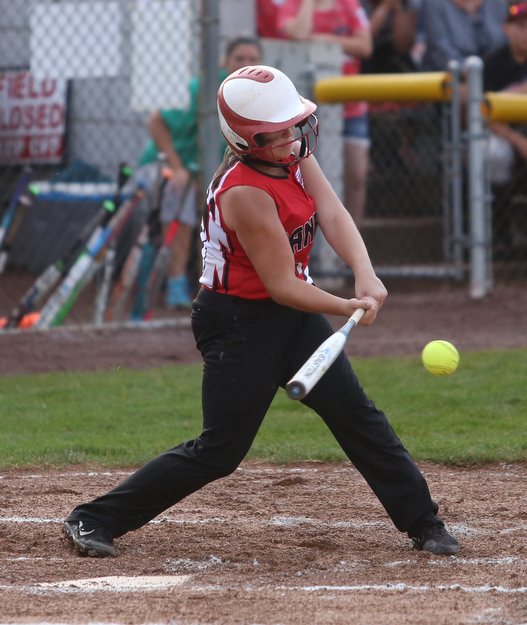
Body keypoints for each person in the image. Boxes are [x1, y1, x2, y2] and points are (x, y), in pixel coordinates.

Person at [63, 65, 459, 559]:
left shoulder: (292, 154)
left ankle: (424, 522)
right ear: (247, 140)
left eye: (294, 125)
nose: (293, 139)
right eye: (278, 133)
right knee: (221, 451)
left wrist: (364, 271)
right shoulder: (244, 191)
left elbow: (332, 212)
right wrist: (345, 306)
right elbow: (281, 285)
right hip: (236, 323)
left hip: (291, 313)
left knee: (356, 415)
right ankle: (93, 517)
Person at [135, 36, 263, 312]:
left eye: (253, 59)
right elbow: (155, 121)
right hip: (167, 164)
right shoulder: (203, 88)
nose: (245, 65)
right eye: (239, 58)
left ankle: (216, 284)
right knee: (183, 194)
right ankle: (176, 284)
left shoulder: (259, 97)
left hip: (210, 175)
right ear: (225, 62)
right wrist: (178, 167)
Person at [278, 0, 373, 227]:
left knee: (357, 175)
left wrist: (324, 40)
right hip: (308, 110)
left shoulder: (348, 5)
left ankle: (353, 235)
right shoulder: (293, 6)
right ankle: (316, 240)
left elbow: (365, 46)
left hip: (350, 105)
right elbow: (298, 34)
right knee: (314, 179)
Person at [483, 1, 527, 256]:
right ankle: (501, 234)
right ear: (506, 29)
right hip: (502, 133)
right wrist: (517, 140)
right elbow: (484, 115)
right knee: (494, 154)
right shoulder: (493, 63)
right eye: (520, 26)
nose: (525, 32)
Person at [420, 0, 508, 72]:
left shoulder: (497, 3)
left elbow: (505, 45)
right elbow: (441, 53)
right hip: (450, 80)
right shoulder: (435, 4)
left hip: (497, 80)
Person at [361, 0, 420, 74]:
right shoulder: (355, 3)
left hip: (391, 59)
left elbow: (402, 47)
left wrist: (400, 8)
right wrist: (385, 7)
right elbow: (364, 41)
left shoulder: (407, 2)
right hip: (363, 59)